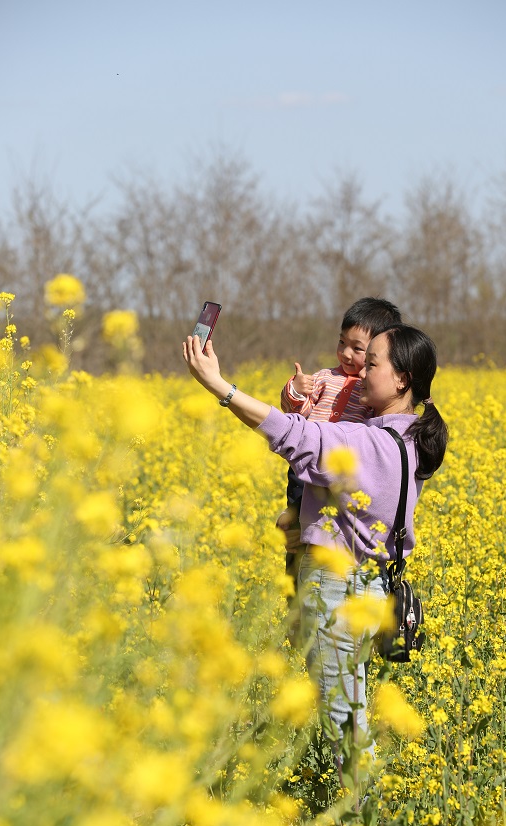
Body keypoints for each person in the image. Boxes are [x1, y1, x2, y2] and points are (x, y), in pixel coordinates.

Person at [182, 324, 448, 762]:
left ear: (402, 379)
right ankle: (367, 817)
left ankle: (366, 821)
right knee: (352, 719)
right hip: (371, 592)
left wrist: (219, 386)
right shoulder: (412, 440)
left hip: (337, 593)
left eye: (373, 363)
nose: (360, 371)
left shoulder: (367, 444)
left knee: (346, 732)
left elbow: (292, 433)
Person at [277, 297, 402, 576]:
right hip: (308, 462)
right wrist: (296, 390)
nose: (345, 353)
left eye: (357, 348)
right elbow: (297, 411)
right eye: (341, 342)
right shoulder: (324, 377)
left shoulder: (372, 389)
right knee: (296, 522)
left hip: (341, 471)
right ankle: (294, 575)